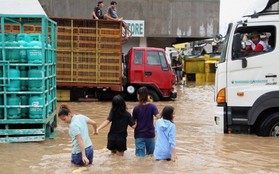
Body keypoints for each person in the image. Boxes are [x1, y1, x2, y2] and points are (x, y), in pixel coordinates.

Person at [132, 86, 160, 157]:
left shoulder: (136, 108)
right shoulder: (152, 106)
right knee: (150, 156)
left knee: (140, 157)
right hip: (150, 134)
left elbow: (133, 122)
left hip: (139, 135)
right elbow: (158, 116)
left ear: (139, 96)